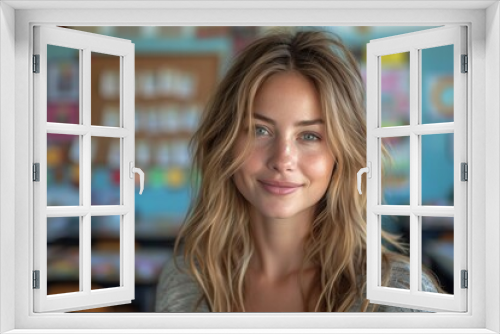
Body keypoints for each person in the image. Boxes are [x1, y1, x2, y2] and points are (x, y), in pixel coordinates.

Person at [155, 28, 440, 313]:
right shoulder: (184, 284)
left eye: (310, 136)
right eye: (260, 130)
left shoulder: (399, 297)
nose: (282, 159)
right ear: (224, 141)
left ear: (341, 154)